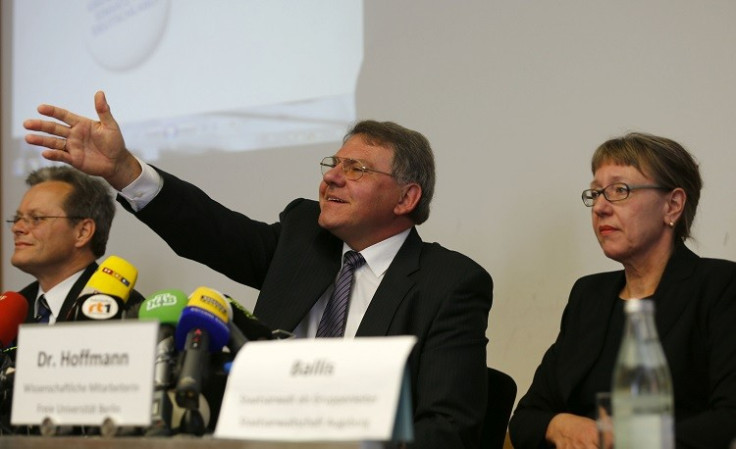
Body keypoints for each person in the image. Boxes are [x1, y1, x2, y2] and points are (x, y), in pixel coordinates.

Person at [23, 91, 494, 448]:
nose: (331, 176)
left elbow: (450, 427)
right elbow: (209, 230)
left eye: (358, 169)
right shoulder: (302, 239)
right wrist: (125, 170)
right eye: (334, 163)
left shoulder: (450, 284)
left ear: (406, 198)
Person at [509, 132, 736, 449]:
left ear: (672, 205)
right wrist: (561, 424)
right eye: (595, 193)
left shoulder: (719, 286)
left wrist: (630, 441)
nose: (600, 207)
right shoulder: (589, 296)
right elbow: (525, 419)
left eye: (619, 190)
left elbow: (728, 419)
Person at [9, 165, 144, 324]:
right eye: (17, 218)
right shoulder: (11, 312)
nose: (16, 228)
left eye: (37, 218)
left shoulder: (121, 309)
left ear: (83, 232)